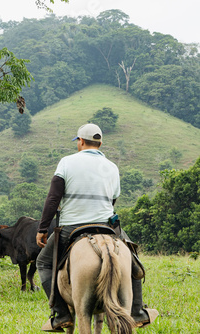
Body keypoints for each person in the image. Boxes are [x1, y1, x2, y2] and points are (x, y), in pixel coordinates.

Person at [35, 123, 158, 332]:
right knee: (132, 258)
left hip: (72, 227)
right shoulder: (112, 166)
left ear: (80, 142)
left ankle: (61, 314)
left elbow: (53, 198)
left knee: (43, 262)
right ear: (100, 143)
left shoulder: (66, 162)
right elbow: (113, 200)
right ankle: (137, 311)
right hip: (106, 225)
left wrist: (43, 228)